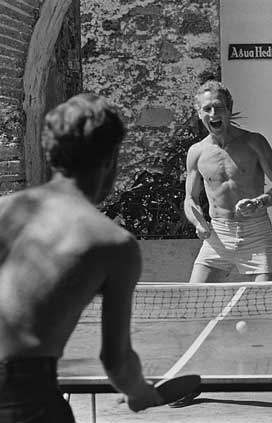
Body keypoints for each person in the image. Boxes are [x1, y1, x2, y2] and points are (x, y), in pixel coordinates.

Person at [0, 94, 162, 422]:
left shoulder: (4, 210)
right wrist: (140, 392)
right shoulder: (113, 243)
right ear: (110, 161)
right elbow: (117, 362)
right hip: (25, 398)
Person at [184, 80, 272, 283]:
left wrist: (260, 201)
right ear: (199, 113)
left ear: (229, 110)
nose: (214, 114)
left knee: (264, 303)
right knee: (194, 300)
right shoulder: (196, 152)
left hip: (255, 232)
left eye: (219, 107)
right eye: (207, 109)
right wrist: (198, 223)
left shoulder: (254, 142)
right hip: (218, 235)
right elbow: (190, 198)